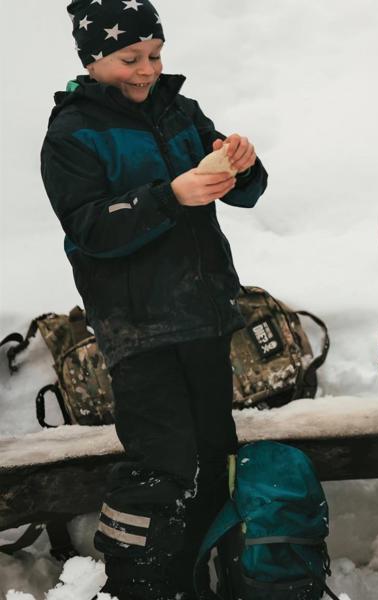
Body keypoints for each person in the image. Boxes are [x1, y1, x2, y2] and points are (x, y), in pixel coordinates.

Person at [41, 2, 267, 597]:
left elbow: (247, 194)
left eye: (156, 55)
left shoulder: (179, 109)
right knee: (161, 463)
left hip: (204, 315)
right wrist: (171, 196)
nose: (147, 70)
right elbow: (90, 228)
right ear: (93, 60)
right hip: (137, 328)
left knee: (215, 453)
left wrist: (242, 168)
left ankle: (208, 575)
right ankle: (138, 585)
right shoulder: (71, 134)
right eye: (130, 58)